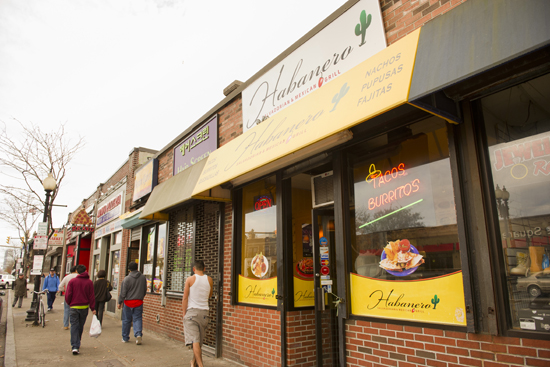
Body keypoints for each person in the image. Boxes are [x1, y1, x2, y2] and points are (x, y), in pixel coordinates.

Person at [182, 260, 213, 367]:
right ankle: (193, 362)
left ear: (193, 269)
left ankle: (200, 365)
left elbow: (185, 297)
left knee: (195, 340)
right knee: (199, 342)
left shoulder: (190, 279)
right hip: (204, 313)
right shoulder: (209, 280)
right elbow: (209, 295)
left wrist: (184, 313)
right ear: (204, 268)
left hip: (192, 313)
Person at [65, 264, 96, 355]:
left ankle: (75, 345)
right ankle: (77, 342)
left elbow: (68, 294)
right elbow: (91, 296)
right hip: (84, 307)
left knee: (74, 325)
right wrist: (93, 307)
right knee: (80, 325)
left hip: (74, 307)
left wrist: (69, 302)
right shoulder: (89, 282)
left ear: (77, 271)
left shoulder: (72, 281)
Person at [117, 262, 146, 345]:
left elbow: (123, 293)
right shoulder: (143, 278)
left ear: (129, 269)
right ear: (137, 268)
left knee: (126, 320)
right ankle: (138, 334)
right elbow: (144, 290)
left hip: (128, 302)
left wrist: (120, 302)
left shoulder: (126, 279)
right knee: (137, 319)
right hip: (139, 302)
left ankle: (125, 337)